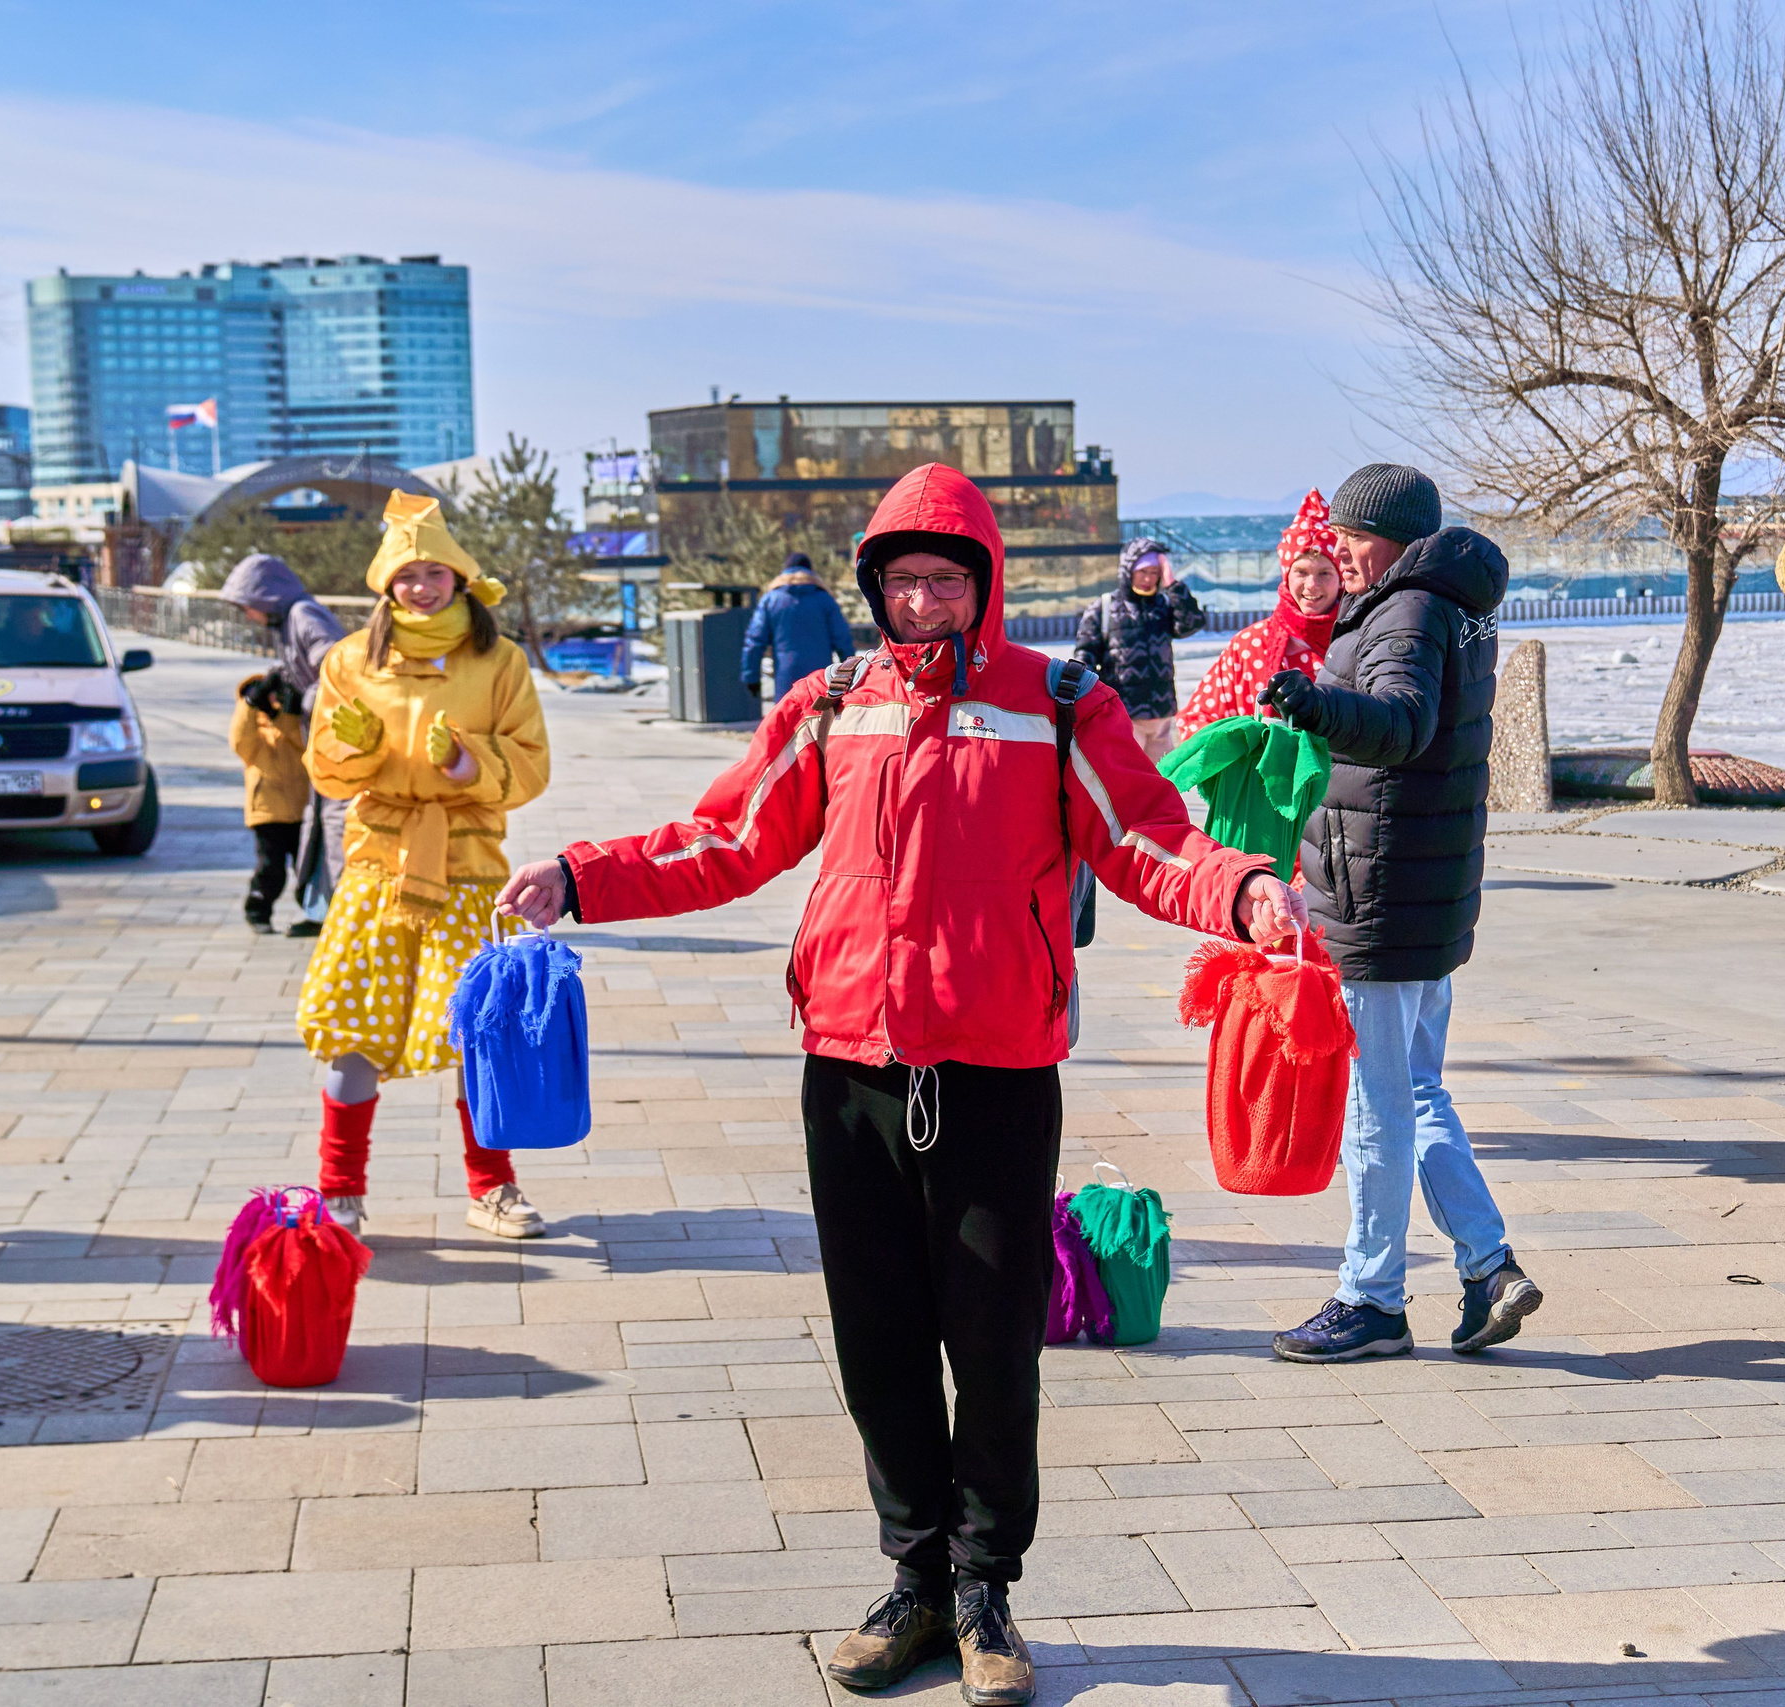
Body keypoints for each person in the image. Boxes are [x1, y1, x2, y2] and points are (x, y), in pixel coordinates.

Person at [497, 463, 1305, 1706]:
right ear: (873, 587)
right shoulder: (831, 703)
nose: (923, 602)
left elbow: (1145, 837)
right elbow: (727, 839)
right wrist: (581, 876)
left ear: (985, 583)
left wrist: (1242, 890)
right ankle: (912, 1579)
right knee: (876, 1341)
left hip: (994, 1068)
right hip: (850, 1066)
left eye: (946, 579)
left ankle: (984, 1591)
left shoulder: (1058, 701)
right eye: (903, 580)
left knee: (993, 1346)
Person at [1256, 463, 1539, 1363]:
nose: (1339, 548)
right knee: (1416, 1089)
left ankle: (1371, 1297)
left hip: (1380, 894)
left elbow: (1403, 721)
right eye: (1336, 533)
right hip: (1421, 890)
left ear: (1398, 538)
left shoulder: (1407, 608)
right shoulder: (1448, 599)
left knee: (1375, 1105)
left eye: (1354, 535)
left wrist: (1317, 705)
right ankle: (1488, 1267)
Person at [298, 493, 552, 1242]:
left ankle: (491, 1187)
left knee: (479, 1030)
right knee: (353, 1027)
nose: (422, 586)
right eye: (407, 575)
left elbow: (531, 763)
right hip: (378, 864)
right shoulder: (350, 659)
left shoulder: (499, 660)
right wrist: (356, 747)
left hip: (470, 867)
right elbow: (327, 771)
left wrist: (468, 761)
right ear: (386, 584)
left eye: (435, 572)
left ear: (459, 577)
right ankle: (339, 1192)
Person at [220, 553, 351, 937]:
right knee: (320, 829)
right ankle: (324, 911)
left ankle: (339, 917)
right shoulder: (289, 621)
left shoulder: (303, 614)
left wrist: (304, 699)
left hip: (337, 739)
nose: (248, 615)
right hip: (321, 740)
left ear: (264, 597)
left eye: (247, 606)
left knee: (335, 826)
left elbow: (338, 669)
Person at [1175, 488, 1344, 739]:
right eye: (1301, 572)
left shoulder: (1355, 640)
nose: (1312, 585)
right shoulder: (1248, 645)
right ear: (1286, 576)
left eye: (1324, 573)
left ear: (1341, 578)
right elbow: (1199, 720)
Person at [1073, 536, 1205, 762]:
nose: (1148, 578)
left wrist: (1172, 584)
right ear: (1128, 570)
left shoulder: (1163, 606)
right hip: (1123, 714)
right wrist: (1094, 705)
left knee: (1162, 776)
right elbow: (1084, 658)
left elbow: (1192, 623)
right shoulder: (1104, 607)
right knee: (1124, 776)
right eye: (1143, 571)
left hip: (1161, 716)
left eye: (1155, 572)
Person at [227, 667, 309, 933]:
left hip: (300, 808)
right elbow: (239, 741)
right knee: (271, 868)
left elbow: (305, 744)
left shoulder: (289, 723)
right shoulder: (253, 731)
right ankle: (258, 910)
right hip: (267, 811)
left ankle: (315, 911)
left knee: (306, 867)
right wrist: (251, 704)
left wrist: (284, 716)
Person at [740, 550, 856, 703]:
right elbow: (843, 639)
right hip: (820, 678)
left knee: (786, 714)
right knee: (819, 715)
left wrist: (751, 677)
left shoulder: (771, 600)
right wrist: (850, 676)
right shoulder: (824, 599)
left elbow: (754, 642)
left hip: (785, 677)